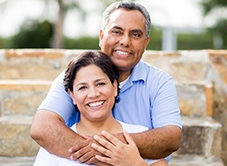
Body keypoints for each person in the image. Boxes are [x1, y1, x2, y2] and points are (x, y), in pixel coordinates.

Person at [30, 0, 182, 165]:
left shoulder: (159, 82)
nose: (125, 41)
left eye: (136, 34)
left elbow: (170, 138)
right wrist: (104, 156)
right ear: (102, 36)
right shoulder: (75, 76)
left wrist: (109, 150)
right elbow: (42, 127)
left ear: (146, 43)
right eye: (117, 32)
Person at [33, 51, 167, 166]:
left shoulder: (139, 135)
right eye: (83, 87)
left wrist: (136, 164)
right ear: (72, 95)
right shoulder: (55, 144)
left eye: (100, 84)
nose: (94, 94)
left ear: (114, 87)